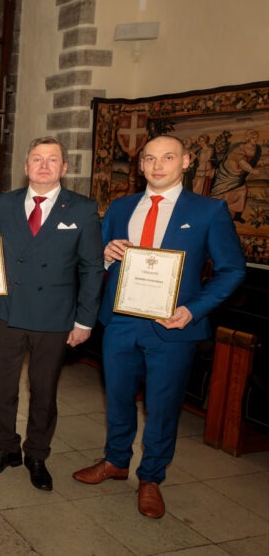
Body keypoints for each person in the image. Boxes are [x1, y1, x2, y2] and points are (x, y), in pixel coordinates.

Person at [72, 135, 245, 518]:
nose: (157, 165)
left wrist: (193, 310)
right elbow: (95, 258)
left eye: (167, 157)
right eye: (149, 159)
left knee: (162, 405)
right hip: (120, 322)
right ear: (140, 165)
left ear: (186, 161)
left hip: (172, 326)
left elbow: (232, 270)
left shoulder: (208, 210)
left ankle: (151, 477)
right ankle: (116, 461)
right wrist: (105, 254)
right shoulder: (121, 207)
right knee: (118, 397)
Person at [0, 137, 104, 492]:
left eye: (52, 159)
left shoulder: (82, 209)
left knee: (44, 389)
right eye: (37, 159)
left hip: (54, 315)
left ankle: (36, 454)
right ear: (26, 166)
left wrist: (84, 320)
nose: (44, 165)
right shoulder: (5, 203)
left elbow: (92, 268)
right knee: (1, 386)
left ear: (64, 167)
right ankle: (5, 447)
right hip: (8, 311)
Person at [210, 129, 262, 223]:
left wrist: (261, 163)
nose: (255, 140)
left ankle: (235, 214)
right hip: (228, 174)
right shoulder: (239, 148)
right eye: (253, 138)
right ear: (248, 138)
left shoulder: (256, 149)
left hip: (239, 175)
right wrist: (251, 170)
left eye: (256, 138)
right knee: (221, 193)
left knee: (241, 191)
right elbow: (242, 162)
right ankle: (213, 212)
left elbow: (252, 162)